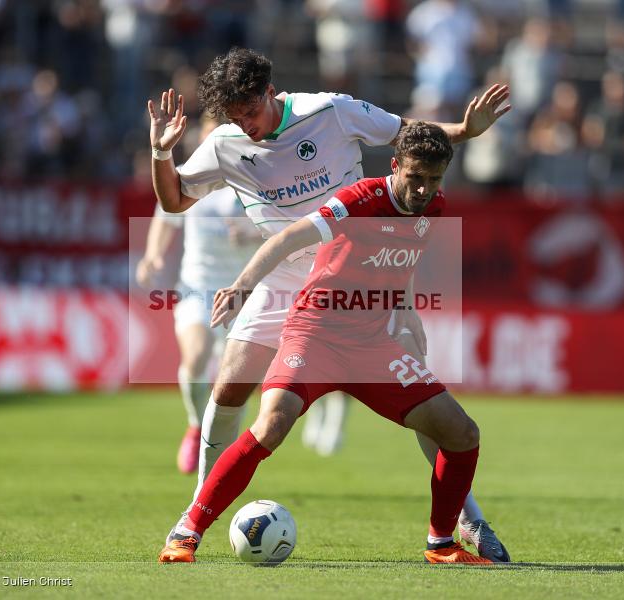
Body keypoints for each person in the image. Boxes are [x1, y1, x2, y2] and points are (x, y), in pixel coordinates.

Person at [148, 47, 511, 561]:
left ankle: (466, 525)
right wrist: (162, 154)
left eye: (249, 111)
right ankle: (197, 511)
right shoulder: (225, 143)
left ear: (269, 93)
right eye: (234, 116)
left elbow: (407, 134)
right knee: (230, 388)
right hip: (286, 277)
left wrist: (464, 130)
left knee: (431, 407)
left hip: (363, 278)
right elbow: (173, 201)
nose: (244, 125)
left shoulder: (330, 111)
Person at [137, 113, 262, 474]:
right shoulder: (191, 176)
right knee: (194, 360)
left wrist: (253, 234)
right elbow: (166, 215)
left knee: (231, 386)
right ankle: (196, 427)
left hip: (245, 294)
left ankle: (219, 457)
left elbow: (283, 227)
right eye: (211, 134)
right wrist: (153, 254)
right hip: (199, 288)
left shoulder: (256, 177)